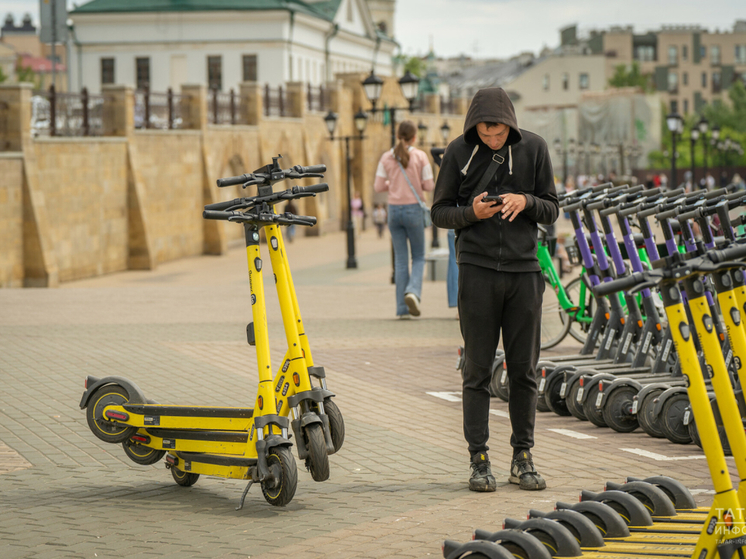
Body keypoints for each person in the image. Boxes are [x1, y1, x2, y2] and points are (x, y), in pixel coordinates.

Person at [431, 87, 559, 492]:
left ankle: (523, 456)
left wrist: (526, 201)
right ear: (474, 126)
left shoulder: (535, 149)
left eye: (499, 133)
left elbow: (553, 207)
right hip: (478, 270)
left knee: (524, 370)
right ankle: (478, 459)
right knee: (478, 369)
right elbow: (439, 211)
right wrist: (472, 213)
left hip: (524, 271)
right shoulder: (457, 152)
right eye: (485, 133)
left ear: (510, 124)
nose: (492, 139)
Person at [374, 120, 435, 318]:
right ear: (415, 137)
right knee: (418, 256)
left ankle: (402, 309)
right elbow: (429, 185)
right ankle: (413, 292)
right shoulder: (420, 156)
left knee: (400, 261)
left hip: (394, 211)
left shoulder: (387, 157)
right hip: (414, 210)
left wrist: (393, 183)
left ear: (398, 136)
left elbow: (378, 186)